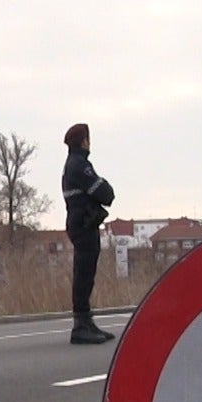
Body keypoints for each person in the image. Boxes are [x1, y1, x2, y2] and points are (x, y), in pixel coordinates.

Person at [62, 122, 116, 345]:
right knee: (83, 274)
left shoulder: (77, 164)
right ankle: (81, 325)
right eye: (88, 138)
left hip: (84, 223)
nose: (89, 142)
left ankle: (86, 321)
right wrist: (102, 186)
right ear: (83, 141)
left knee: (86, 273)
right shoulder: (78, 165)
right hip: (83, 224)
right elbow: (106, 194)